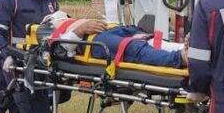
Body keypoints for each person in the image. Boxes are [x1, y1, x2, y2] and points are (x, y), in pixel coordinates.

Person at [46, 11, 187, 68]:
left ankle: (184, 48)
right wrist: (81, 30)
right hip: (93, 39)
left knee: (149, 39)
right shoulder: (42, 29)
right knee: (132, 48)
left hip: (111, 29)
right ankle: (180, 58)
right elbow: (58, 51)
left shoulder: (60, 17)